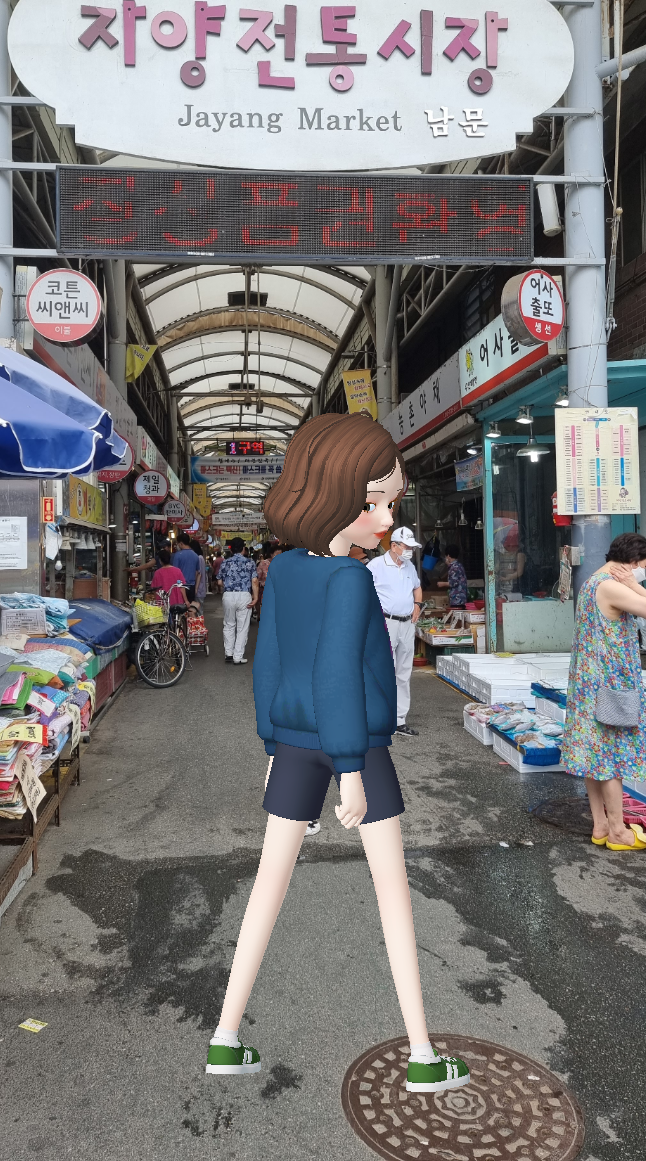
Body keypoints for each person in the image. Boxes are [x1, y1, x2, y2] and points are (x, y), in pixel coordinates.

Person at [206, 412, 469, 1095]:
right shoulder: (349, 580)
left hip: (291, 743)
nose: (386, 517)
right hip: (355, 747)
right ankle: (420, 1054)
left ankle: (226, 1036)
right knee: (392, 896)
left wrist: (271, 742)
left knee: (268, 884)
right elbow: (334, 673)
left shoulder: (285, 570)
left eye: (390, 501)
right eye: (376, 500)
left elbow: (271, 662)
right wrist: (351, 767)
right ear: (337, 494)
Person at [563, 532, 646, 851]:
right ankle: (618, 831)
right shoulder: (613, 587)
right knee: (610, 759)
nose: (643, 572)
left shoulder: (593, 581)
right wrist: (634, 586)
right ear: (631, 563)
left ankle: (601, 825)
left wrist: (632, 585)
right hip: (609, 686)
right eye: (643, 567)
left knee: (595, 757)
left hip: (588, 686)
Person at [366, 526, 423, 737]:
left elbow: (416, 587)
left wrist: (417, 604)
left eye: (411, 547)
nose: (410, 551)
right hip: (385, 623)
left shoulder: (409, 566)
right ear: (394, 546)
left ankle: (399, 720)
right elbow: (363, 592)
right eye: (407, 546)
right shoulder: (376, 565)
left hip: (407, 624)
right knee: (382, 670)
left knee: (404, 673)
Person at [218, 537, 259, 665]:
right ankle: (238, 656)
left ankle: (228, 654)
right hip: (244, 595)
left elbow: (219, 582)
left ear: (231, 549)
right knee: (242, 627)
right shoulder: (250, 562)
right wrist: (256, 597)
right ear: (243, 549)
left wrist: (229, 585)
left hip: (229, 595)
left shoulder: (225, 562)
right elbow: (254, 581)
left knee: (229, 624)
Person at [172, 533, 203, 601]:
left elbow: (175, 572)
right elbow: (197, 572)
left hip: (181, 586)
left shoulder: (178, 555)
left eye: (178, 543)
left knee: (181, 608)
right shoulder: (195, 555)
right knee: (190, 609)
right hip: (192, 586)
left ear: (181, 543)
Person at [189, 538, 208, 609]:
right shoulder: (201, 558)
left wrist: (195, 588)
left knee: (197, 609)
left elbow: (199, 574)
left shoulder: (198, 558)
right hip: (201, 588)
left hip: (199, 588)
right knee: (199, 609)